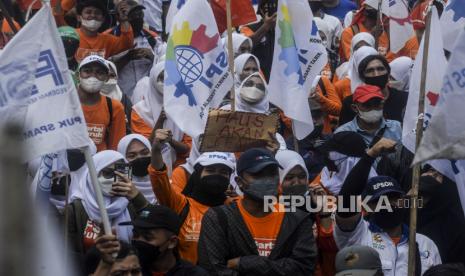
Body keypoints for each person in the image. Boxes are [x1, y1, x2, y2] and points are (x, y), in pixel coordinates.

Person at [198, 148, 317, 275]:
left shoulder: (297, 219)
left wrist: (247, 263)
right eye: (258, 174)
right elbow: (213, 270)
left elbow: (304, 268)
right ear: (240, 182)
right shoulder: (218, 218)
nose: (267, 179)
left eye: (272, 173)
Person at [334, 138, 442, 275]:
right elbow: (346, 201)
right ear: (367, 207)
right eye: (380, 200)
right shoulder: (357, 235)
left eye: (394, 198)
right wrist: (370, 155)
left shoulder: (425, 244)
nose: (389, 204)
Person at [149, 136, 236, 264]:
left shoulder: (234, 207)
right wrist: (156, 150)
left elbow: (268, 202)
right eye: (210, 170)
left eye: (223, 172)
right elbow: (159, 179)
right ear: (197, 174)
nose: (216, 176)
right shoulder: (181, 205)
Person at [65, 150, 149, 259]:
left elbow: (150, 221)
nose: (115, 180)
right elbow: (67, 257)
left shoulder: (130, 204)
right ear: (92, 175)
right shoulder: (74, 211)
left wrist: (138, 198)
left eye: (121, 173)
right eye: (108, 173)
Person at [131, 62, 191, 174]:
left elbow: (188, 149)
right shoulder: (140, 110)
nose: (166, 83)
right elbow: (144, 148)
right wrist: (161, 120)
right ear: (153, 80)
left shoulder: (186, 107)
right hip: (150, 169)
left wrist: (170, 141)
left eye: (170, 78)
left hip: (180, 169)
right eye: (161, 78)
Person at [108, 0, 164, 100]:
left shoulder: (152, 38)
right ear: (120, 18)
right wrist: (127, 58)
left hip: (147, 99)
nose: (137, 18)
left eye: (139, 14)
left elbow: (163, 66)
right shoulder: (109, 38)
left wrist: (152, 57)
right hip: (120, 98)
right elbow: (104, 71)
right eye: (132, 15)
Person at [338, 54, 408, 125]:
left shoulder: (404, 99)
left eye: (380, 69)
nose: (376, 74)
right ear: (362, 77)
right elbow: (342, 133)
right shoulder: (350, 102)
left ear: (388, 73)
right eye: (370, 71)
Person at [77, 55, 126, 151]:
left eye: (99, 73)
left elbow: (115, 147)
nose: (93, 76)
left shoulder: (114, 107)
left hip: (99, 163)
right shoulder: (66, 104)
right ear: (78, 75)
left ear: (106, 78)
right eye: (87, 71)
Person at [417, 168, 465, 264]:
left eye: (438, 174)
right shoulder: (413, 205)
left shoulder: (456, 223)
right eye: (430, 170)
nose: (431, 175)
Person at [336, 85, 402, 146]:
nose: (373, 109)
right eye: (367, 105)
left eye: (377, 104)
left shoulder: (397, 128)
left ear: (383, 104)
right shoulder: (343, 133)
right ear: (355, 108)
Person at [240, 0, 278, 80]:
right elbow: (244, 46)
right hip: (257, 82)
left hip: (280, 83)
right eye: (268, 5)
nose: (272, 8)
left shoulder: (285, 32)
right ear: (261, 10)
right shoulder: (248, 28)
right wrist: (266, 26)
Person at [117, 134, 157, 204]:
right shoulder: (119, 190)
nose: (139, 158)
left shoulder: (163, 181)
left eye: (145, 153)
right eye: (132, 156)